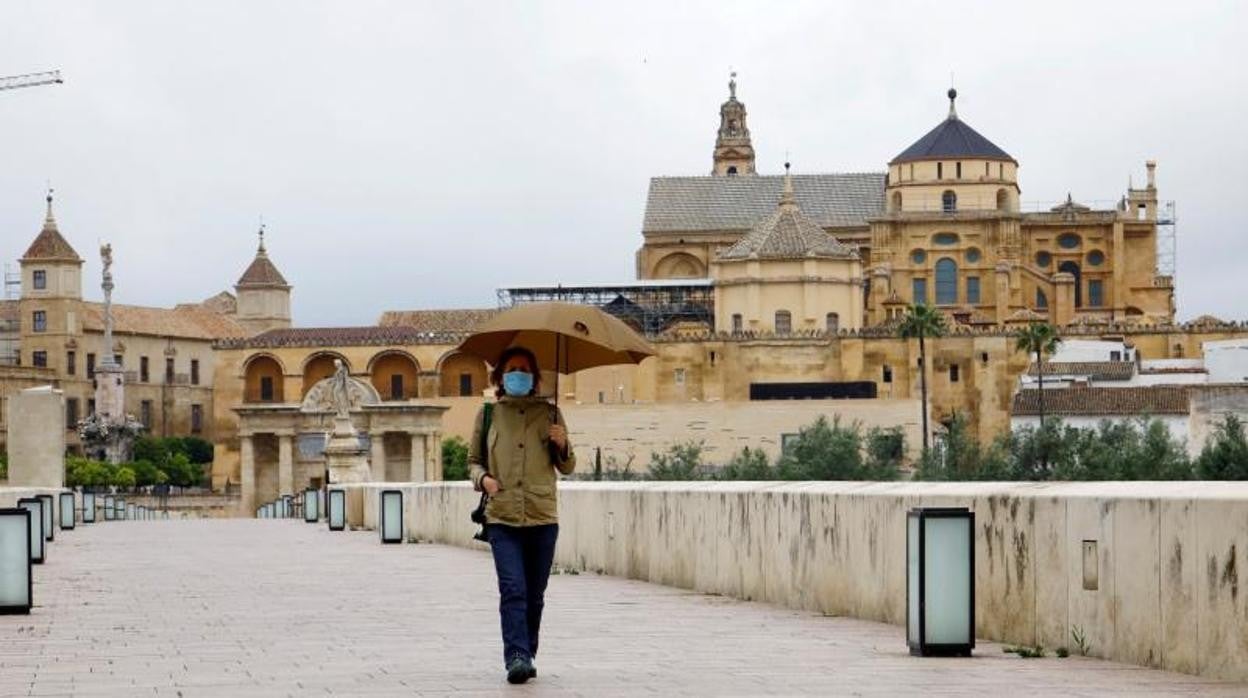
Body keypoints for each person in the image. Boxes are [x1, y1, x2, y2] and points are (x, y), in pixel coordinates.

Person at [469, 346, 576, 684]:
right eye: (512, 369)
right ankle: (515, 655)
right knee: (513, 588)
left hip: (543, 515)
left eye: (525, 369)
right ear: (501, 377)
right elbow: (473, 462)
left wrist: (563, 443)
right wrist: (483, 480)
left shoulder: (552, 413)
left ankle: (527, 650)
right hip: (502, 516)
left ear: (534, 377)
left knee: (535, 593)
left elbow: (568, 467)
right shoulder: (487, 415)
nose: (518, 374)